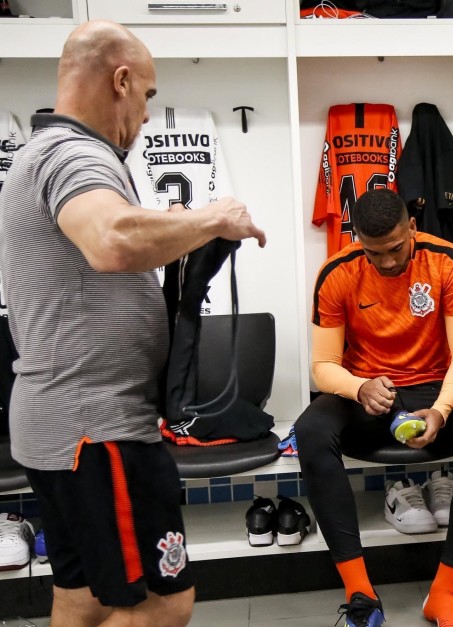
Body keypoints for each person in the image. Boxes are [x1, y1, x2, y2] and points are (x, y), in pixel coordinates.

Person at [0, 20, 266, 627]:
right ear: (120, 81)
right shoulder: (75, 156)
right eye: (146, 95)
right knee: (163, 602)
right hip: (98, 432)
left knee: (85, 593)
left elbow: (100, 252)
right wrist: (211, 217)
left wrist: (170, 230)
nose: (147, 114)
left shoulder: (39, 154)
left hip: (57, 426)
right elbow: (112, 241)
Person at [295, 189, 453, 627]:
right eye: (375, 253)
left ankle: (443, 593)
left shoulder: (446, 260)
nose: (388, 262)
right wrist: (358, 388)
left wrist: (442, 409)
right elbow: (322, 366)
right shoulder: (337, 273)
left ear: (412, 227)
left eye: (396, 248)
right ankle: (359, 593)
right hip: (369, 392)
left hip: (435, 387)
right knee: (311, 430)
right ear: (357, 239)